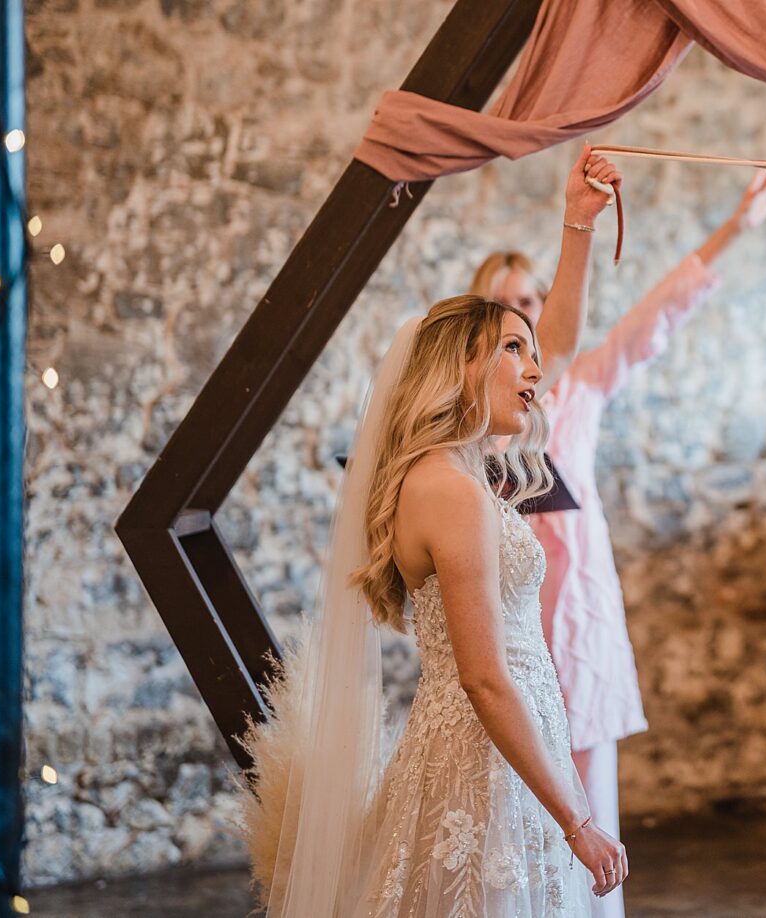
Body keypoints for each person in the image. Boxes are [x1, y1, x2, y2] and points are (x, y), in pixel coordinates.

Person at [238, 146, 627, 916]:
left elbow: (562, 340)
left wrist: (578, 224)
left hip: (512, 754)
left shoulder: (459, 470)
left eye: (530, 350)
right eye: (513, 349)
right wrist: (579, 821)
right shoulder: (446, 489)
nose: (535, 369)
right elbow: (484, 678)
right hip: (481, 768)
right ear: (464, 363)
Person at [467, 171, 766, 918]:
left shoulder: (583, 379)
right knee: (507, 775)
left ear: (545, 310)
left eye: (530, 300)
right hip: (504, 603)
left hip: (575, 604)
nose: (520, 311)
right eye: (504, 301)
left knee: (587, 779)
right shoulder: (471, 403)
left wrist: (738, 222)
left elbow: (660, 310)